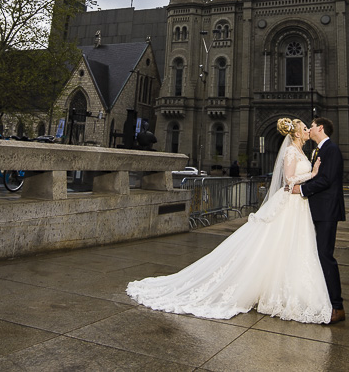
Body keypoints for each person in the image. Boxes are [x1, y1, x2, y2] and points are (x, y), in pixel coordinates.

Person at [126, 118, 333, 324]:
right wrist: (312, 174)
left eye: (308, 128)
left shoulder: (302, 151)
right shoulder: (290, 152)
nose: (308, 131)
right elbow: (288, 180)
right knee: (274, 242)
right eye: (305, 128)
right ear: (296, 133)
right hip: (290, 202)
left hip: (298, 205)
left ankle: (287, 288)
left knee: (291, 246)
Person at [292, 117, 346, 324]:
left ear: (320, 128)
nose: (310, 128)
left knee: (325, 256)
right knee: (316, 255)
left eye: (312, 126)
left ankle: (337, 307)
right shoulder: (318, 150)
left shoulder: (330, 149)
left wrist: (301, 189)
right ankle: (323, 300)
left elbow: (326, 179)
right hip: (318, 210)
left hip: (327, 212)